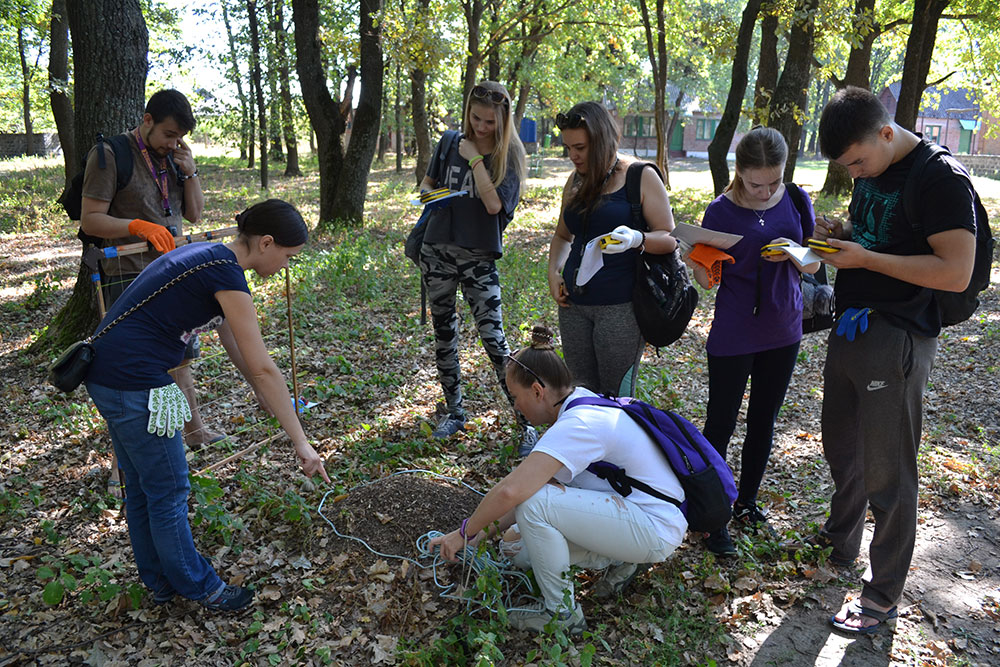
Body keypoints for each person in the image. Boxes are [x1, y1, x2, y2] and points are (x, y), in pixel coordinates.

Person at [83, 199, 331, 611]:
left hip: (111, 374)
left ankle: (161, 584)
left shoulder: (207, 257)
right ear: (266, 243)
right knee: (169, 490)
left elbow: (241, 351)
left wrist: (262, 395)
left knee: (147, 490)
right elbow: (265, 368)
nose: (287, 266)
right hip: (135, 383)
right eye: (288, 257)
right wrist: (301, 443)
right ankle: (201, 588)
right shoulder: (225, 273)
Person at [813, 87, 976, 634]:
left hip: (899, 334)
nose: (855, 173)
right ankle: (841, 542)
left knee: (888, 468)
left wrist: (866, 260)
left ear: (886, 132)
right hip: (852, 322)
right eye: (845, 167)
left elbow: (954, 271)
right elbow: (883, 233)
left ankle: (881, 597)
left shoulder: (940, 179)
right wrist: (843, 235)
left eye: (857, 161)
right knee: (840, 442)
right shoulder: (871, 170)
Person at [429, 326, 686, 634]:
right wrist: (476, 537)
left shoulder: (578, 424)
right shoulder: (581, 402)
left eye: (516, 397)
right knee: (518, 551)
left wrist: (463, 533)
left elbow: (514, 491)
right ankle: (619, 557)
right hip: (639, 515)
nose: (515, 407)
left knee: (534, 506)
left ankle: (561, 615)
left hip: (653, 525)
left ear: (537, 390)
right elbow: (531, 491)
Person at [80, 90, 223, 497]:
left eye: (180, 137)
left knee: (181, 357)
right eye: (168, 134)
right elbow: (92, 220)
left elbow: (194, 214)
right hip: (127, 277)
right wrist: (138, 227)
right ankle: (123, 463)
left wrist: (190, 171)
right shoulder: (109, 155)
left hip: (172, 273)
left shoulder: (177, 155)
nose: (173, 143)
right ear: (146, 120)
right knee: (135, 372)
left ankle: (194, 431)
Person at [686, 127, 820, 557]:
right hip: (734, 330)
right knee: (720, 422)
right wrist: (704, 269)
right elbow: (706, 276)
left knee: (764, 420)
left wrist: (796, 252)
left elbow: (816, 263)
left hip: (784, 328)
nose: (765, 193)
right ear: (738, 173)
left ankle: (746, 502)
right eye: (755, 183)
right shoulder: (719, 211)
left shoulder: (797, 200)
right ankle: (711, 515)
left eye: (774, 182)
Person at [417, 81, 534, 453]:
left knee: (495, 341)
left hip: (479, 257)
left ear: (504, 121)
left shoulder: (510, 156)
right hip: (437, 250)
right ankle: (454, 411)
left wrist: (475, 159)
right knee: (444, 334)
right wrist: (430, 195)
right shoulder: (449, 140)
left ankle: (525, 423)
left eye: (490, 123)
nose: (481, 127)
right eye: (476, 118)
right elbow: (426, 184)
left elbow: (495, 206)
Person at [547, 101, 677, 397]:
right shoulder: (575, 181)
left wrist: (636, 239)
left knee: (616, 397)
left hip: (621, 308)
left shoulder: (640, 176)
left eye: (580, 147)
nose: (573, 156)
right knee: (580, 392)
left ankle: (617, 446)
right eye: (568, 148)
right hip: (574, 306)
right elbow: (562, 236)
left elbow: (670, 237)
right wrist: (553, 272)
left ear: (602, 139)